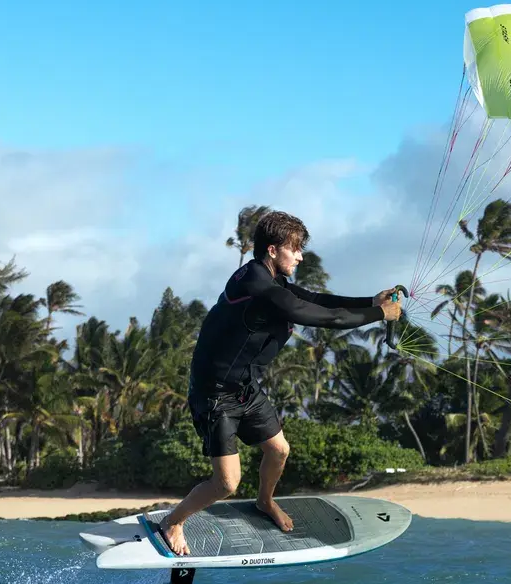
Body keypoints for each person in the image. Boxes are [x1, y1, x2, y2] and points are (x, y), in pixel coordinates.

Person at [156, 210, 403, 556]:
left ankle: (264, 501)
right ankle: (173, 521)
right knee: (226, 483)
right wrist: (379, 315)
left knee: (279, 450)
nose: (300, 257)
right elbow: (324, 317)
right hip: (215, 394)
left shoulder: (273, 280)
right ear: (272, 250)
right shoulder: (257, 286)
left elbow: (316, 299)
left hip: (245, 387)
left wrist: (370, 302)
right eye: (295, 249)